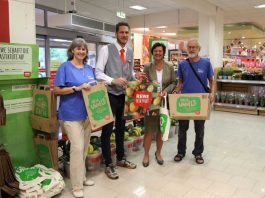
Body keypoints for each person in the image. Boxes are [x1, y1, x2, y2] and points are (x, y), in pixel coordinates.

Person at [95, 21, 141, 179]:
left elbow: (129, 74)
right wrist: (112, 80)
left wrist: (136, 77)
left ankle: (121, 159)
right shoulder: (106, 49)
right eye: (121, 32)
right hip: (109, 94)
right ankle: (108, 164)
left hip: (124, 96)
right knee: (107, 130)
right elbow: (98, 72)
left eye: (127, 33)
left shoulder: (129, 51)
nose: (124, 35)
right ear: (116, 34)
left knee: (122, 128)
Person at [54, 38, 95, 198]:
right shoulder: (65, 67)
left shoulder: (89, 68)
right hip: (71, 114)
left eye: (83, 49)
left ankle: (82, 177)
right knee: (77, 148)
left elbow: (92, 86)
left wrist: (98, 87)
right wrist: (76, 88)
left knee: (84, 148)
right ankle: (76, 186)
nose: (81, 51)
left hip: (88, 114)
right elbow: (56, 90)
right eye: (78, 48)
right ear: (72, 51)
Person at [173, 39, 215, 164]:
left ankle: (198, 153)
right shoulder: (182, 64)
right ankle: (181, 152)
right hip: (184, 101)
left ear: (198, 48)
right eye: (189, 47)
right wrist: (176, 92)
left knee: (199, 130)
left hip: (200, 101)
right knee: (182, 129)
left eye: (194, 47)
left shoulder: (206, 63)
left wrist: (212, 93)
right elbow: (180, 82)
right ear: (187, 48)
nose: (191, 49)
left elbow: (212, 81)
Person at [142, 43, 177, 167]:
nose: (158, 53)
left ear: (163, 53)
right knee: (149, 130)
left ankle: (158, 153)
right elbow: (143, 83)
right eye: (155, 51)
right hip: (151, 103)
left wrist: (165, 91)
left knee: (162, 129)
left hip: (164, 102)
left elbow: (174, 82)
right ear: (152, 53)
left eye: (160, 51)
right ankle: (146, 154)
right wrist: (151, 87)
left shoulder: (169, 67)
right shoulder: (147, 67)